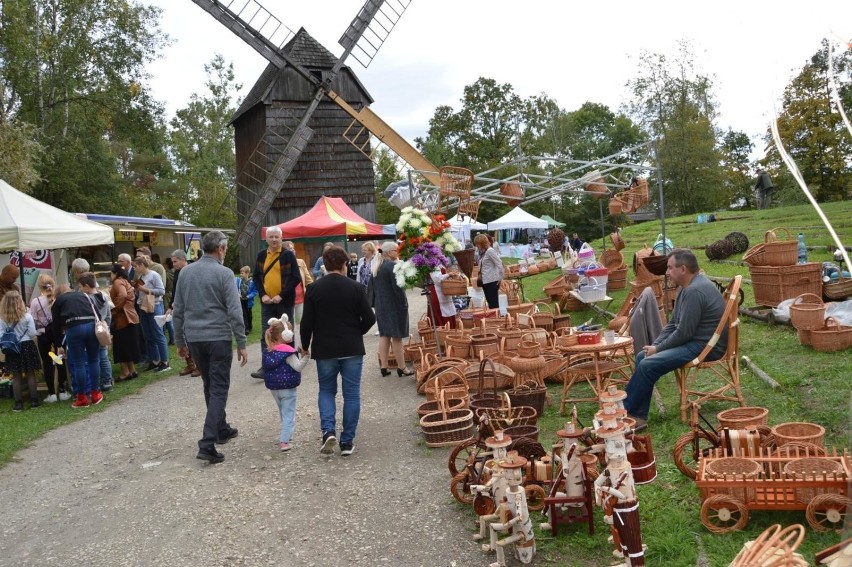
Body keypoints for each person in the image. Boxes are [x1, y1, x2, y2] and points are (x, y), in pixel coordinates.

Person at [623, 249, 727, 428]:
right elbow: (673, 324)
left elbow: (683, 333)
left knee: (647, 364)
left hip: (707, 347)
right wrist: (655, 345)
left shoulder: (695, 291)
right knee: (642, 356)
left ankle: (627, 414)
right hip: (696, 341)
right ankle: (637, 415)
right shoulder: (686, 288)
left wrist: (658, 349)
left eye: (670, 268)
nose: (667, 272)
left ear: (683, 269)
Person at [172, 230, 247, 464]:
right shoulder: (224, 274)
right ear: (221, 249)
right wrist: (242, 342)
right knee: (219, 388)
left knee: (209, 383)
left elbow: (178, 310)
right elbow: (235, 311)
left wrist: (180, 341)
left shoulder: (186, 272)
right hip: (218, 337)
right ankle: (207, 441)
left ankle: (221, 427)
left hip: (195, 338)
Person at [300, 245, 376, 456]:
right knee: (351, 394)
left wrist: (305, 345)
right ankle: (347, 442)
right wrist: (356, 333)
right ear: (344, 265)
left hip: (325, 349)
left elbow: (306, 323)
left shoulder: (314, 289)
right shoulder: (355, 288)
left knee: (326, 391)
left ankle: (328, 431)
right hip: (351, 348)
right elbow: (370, 318)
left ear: (324, 264)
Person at [250, 226, 301, 379]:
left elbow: (295, 278)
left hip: (284, 302)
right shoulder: (261, 255)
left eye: (276, 237)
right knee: (267, 333)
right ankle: (267, 365)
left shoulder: (288, 255)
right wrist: (263, 294)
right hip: (267, 303)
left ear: (281, 238)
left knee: (286, 333)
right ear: (266, 239)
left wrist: (281, 295)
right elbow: (257, 278)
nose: (273, 239)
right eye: (270, 237)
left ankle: (291, 363)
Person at [52, 273, 103, 408]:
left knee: (79, 363)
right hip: (92, 326)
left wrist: (58, 345)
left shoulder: (59, 301)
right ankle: (96, 394)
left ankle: (82, 398)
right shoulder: (85, 295)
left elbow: (56, 325)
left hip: (73, 328)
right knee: (94, 360)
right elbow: (97, 315)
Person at [262, 315, 310, 452]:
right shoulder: (288, 352)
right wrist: (306, 357)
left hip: (274, 388)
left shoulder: (269, 351)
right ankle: (284, 441)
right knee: (289, 413)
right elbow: (298, 367)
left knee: (283, 411)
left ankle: (287, 434)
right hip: (288, 388)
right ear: (285, 334)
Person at [372, 241, 414, 377]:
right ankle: (402, 367)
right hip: (393, 305)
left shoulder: (378, 266)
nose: (398, 252)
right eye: (396, 250)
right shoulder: (392, 266)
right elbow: (398, 289)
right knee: (397, 337)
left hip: (381, 305)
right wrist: (404, 304)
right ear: (390, 252)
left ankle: (384, 367)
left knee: (384, 335)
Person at [29, 274, 70, 402]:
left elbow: (33, 320)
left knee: (47, 363)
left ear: (39, 287)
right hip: (58, 334)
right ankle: (62, 391)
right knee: (60, 361)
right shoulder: (58, 299)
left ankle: (51, 393)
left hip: (43, 335)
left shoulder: (36, 301)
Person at [2, 290, 41, 411]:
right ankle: (34, 400)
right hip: (27, 346)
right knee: (30, 373)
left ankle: (18, 403)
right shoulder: (27, 317)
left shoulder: (2, 319)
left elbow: (1, 335)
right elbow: (32, 333)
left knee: (16, 376)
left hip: (12, 349)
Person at [131, 256, 170, 372]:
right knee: (148, 335)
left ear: (142, 265)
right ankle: (155, 360)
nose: (134, 269)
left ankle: (165, 361)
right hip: (143, 306)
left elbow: (161, 291)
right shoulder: (141, 276)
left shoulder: (154, 275)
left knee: (158, 334)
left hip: (155, 305)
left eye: (136, 266)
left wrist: (144, 289)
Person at [168, 250, 198, 377]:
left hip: (191, 307)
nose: (173, 264)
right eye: (172, 261)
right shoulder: (177, 273)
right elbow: (175, 290)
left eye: (175, 261)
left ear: (183, 259)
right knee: (183, 335)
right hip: (179, 307)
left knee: (192, 336)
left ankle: (198, 365)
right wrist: (171, 305)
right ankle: (190, 364)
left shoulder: (192, 270)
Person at [109, 265, 141, 381]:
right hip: (131, 317)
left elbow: (122, 295)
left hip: (123, 318)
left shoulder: (117, 282)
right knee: (129, 346)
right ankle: (132, 370)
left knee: (121, 346)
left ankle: (125, 372)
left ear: (115, 273)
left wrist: (115, 308)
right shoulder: (125, 281)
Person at [283, 241, 313, 325]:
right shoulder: (281, 264)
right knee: (288, 324)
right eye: (289, 249)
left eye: (293, 248)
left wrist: (312, 291)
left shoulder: (301, 262)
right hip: (287, 300)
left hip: (301, 298)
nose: (292, 250)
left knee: (303, 322)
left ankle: (303, 338)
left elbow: (308, 280)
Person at [474, 233, 504, 309]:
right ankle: (494, 319)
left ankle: (497, 319)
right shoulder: (482, 253)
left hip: (492, 281)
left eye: (477, 244)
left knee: (494, 305)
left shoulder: (490, 251)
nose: (476, 246)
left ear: (482, 243)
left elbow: (499, 264)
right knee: (490, 304)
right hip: (485, 282)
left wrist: (500, 278)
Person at [236, 266, 257, 334]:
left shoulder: (252, 282)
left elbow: (254, 292)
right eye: (240, 273)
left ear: (247, 273)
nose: (240, 274)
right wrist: (238, 294)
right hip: (241, 300)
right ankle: (246, 328)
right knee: (243, 314)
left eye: (242, 273)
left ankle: (250, 326)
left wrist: (249, 296)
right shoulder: (238, 281)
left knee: (249, 314)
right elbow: (235, 288)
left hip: (248, 301)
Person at [162, 257, 175, 345]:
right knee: (171, 317)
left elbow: (164, 285)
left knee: (167, 317)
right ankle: (172, 338)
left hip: (166, 295)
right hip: (173, 294)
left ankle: (172, 338)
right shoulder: (176, 273)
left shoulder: (166, 274)